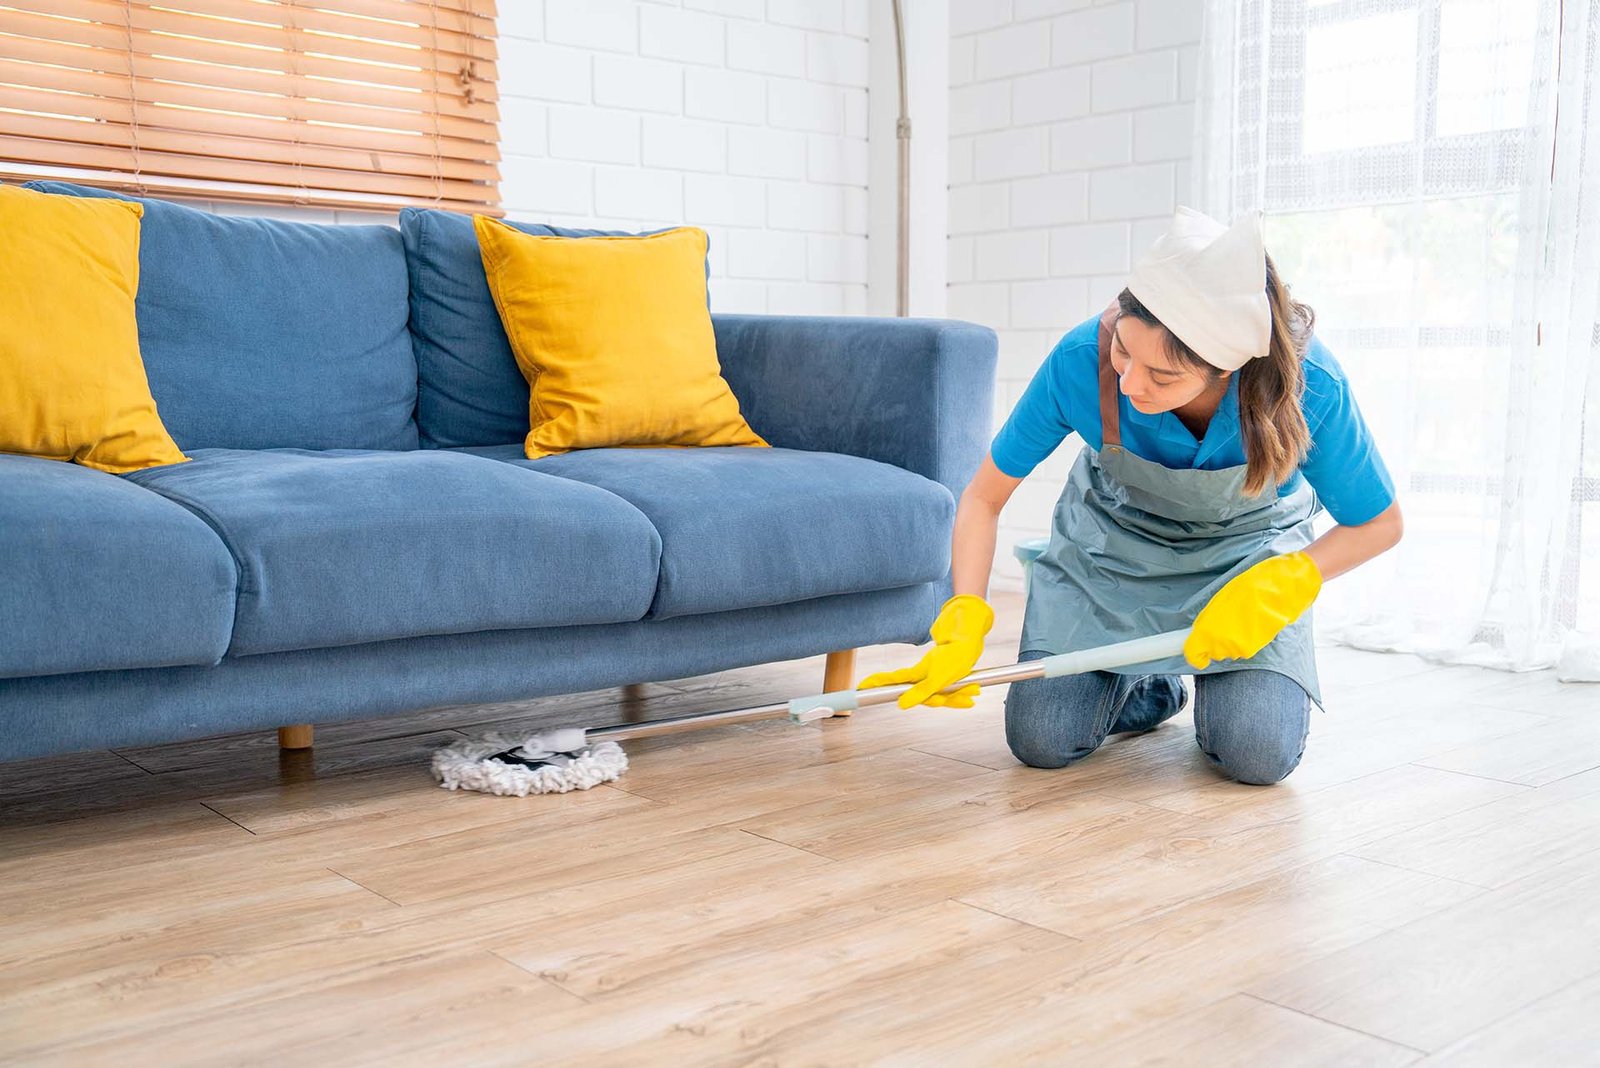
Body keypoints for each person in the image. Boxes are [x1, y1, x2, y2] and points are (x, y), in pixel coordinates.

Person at [860, 207, 1404, 785]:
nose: (1129, 383)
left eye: (1162, 376)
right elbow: (982, 498)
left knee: (1256, 753)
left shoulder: (1307, 383)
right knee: (1041, 741)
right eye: (1124, 350)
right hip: (1111, 552)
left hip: (1247, 562)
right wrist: (964, 612)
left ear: (1229, 370)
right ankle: (1154, 682)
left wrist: (1287, 582)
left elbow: (1380, 523)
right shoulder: (1079, 359)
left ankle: (1228, 689)